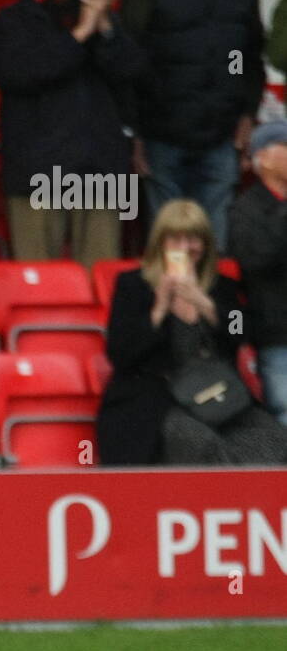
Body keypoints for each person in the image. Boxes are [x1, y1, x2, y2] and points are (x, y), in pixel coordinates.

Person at [0, 0, 144, 266]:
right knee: (39, 282)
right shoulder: (13, 22)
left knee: (102, 281)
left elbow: (132, 71)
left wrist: (103, 28)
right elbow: (19, 75)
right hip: (38, 175)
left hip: (100, 171)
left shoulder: (101, 19)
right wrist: (81, 34)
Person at [97, 199, 287, 465]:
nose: (185, 248)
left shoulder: (222, 287)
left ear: (205, 245)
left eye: (193, 239)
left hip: (218, 393)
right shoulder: (134, 286)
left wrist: (205, 304)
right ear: (160, 243)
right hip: (156, 401)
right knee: (198, 441)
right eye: (175, 239)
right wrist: (159, 308)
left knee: (274, 440)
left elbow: (241, 331)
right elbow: (120, 354)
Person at [124, 0, 262, 251]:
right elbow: (129, 57)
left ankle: (211, 308)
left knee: (213, 249)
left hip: (221, 136)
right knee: (169, 248)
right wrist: (134, 131)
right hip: (161, 135)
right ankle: (173, 309)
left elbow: (250, 53)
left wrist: (248, 111)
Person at [228, 122, 287, 426]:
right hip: (277, 331)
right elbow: (255, 260)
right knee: (283, 409)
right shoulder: (245, 209)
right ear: (262, 158)